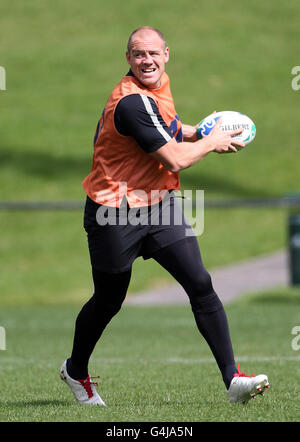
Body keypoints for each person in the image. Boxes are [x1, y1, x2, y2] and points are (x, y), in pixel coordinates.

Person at [60, 26, 270, 405]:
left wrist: (200, 131)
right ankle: (75, 369)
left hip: (159, 204)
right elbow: (174, 158)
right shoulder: (129, 102)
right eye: (139, 54)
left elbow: (167, 128)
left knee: (200, 283)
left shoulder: (157, 88)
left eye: (153, 53)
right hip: (115, 213)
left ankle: (233, 380)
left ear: (166, 54)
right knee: (108, 301)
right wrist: (211, 142)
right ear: (128, 59)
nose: (147, 60)